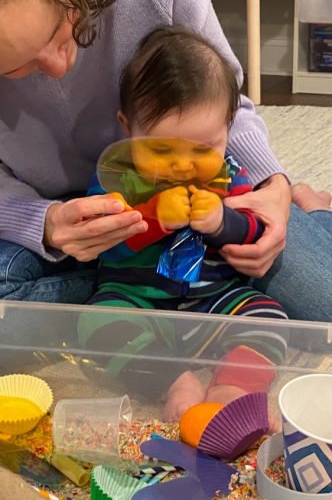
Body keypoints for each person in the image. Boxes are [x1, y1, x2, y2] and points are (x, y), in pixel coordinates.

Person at [0, 0, 330, 322]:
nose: (58, 69)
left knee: (321, 301)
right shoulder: (118, 182)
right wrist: (41, 223)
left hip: (202, 263)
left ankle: (313, 209)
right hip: (50, 205)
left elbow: (223, 109)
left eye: (62, 29)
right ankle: (132, 299)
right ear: (125, 126)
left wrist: (273, 187)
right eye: (15, 66)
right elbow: (125, 240)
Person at [78, 26, 288, 419]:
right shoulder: (117, 177)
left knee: (270, 319)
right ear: (128, 128)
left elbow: (257, 231)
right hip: (138, 301)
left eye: (204, 148)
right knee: (97, 326)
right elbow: (104, 242)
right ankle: (170, 380)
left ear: (229, 128)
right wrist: (154, 218)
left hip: (216, 302)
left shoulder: (230, 176)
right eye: (161, 149)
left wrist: (223, 221)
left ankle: (232, 385)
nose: (182, 165)